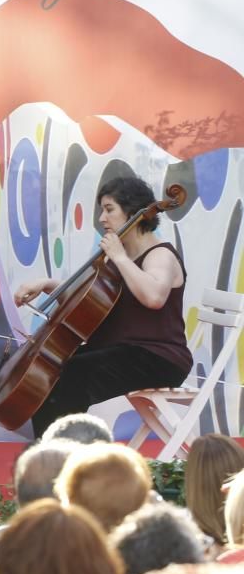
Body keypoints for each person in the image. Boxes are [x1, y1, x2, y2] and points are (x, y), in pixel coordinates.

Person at [10, 175, 192, 437]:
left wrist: (119, 257)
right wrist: (48, 284)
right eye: (101, 210)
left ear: (134, 212)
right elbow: (90, 301)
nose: (101, 219)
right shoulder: (120, 258)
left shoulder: (160, 255)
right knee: (52, 370)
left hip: (157, 358)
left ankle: (60, 459)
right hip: (122, 351)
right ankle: (57, 456)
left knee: (69, 377)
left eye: (109, 210)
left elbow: (154, 298)